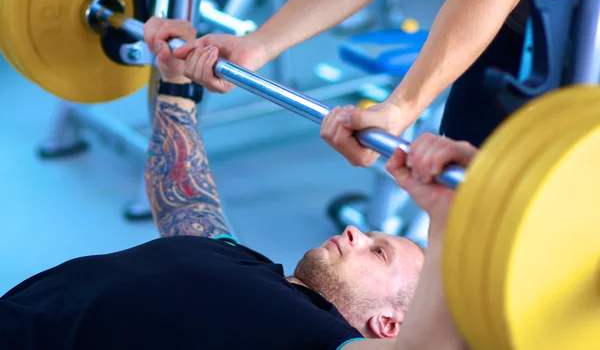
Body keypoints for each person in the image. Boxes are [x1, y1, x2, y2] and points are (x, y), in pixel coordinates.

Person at [1, 18, 472, 350]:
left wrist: (448, 214)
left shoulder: (313, 336)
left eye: (378, 252)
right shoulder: (250, 267)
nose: (355, 232)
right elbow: (186, 200)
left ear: (388, 325)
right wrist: (176, 85)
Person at [172, 0, 542, 166]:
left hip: (582, 48)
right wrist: (260, 43)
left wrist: (401, 106)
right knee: (469, 208)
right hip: (515, 28)